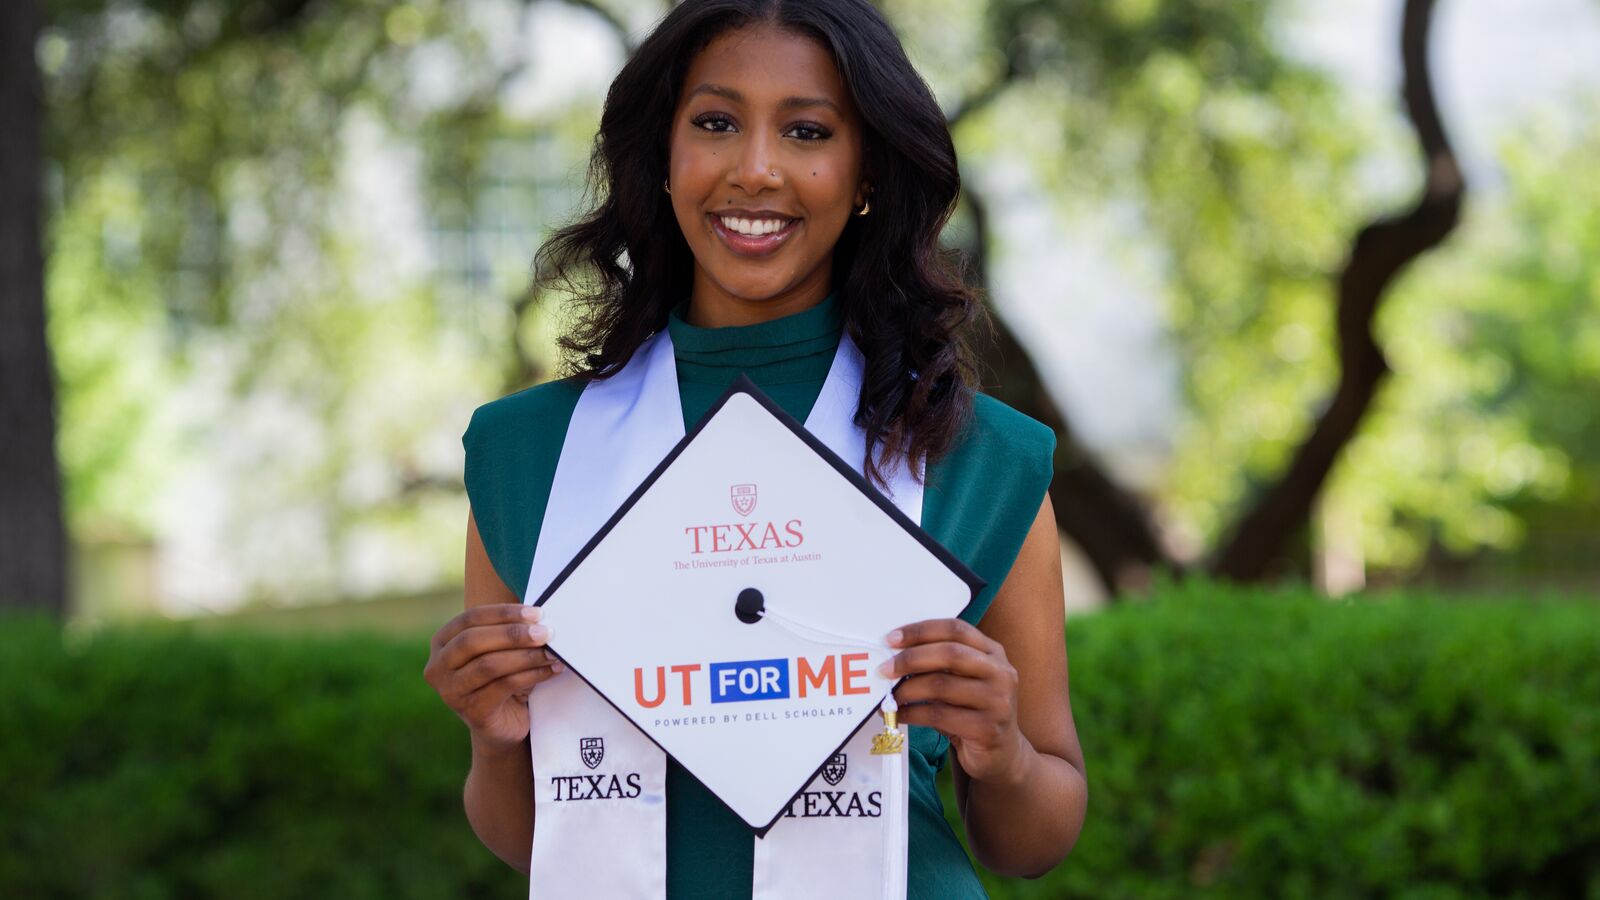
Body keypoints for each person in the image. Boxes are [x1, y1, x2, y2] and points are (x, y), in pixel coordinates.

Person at [423, 0, 1088, 895]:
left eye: (808, 131)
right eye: (716, 123)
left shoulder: (975, 457)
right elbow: (526, 834)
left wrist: (1001, 751)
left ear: (865, 176)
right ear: (663, 155)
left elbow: (1034, 839)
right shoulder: (525, 456)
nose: (756, 169)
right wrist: (492, 738)